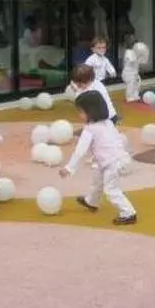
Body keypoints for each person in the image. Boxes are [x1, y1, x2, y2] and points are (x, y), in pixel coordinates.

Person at [60, 90, 137, 226]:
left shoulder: (90, 129)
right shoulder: (108, 122)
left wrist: (69, 168)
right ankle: (91, 201)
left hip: (112, 164)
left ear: (90, 112)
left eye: (81, 111)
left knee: (111, 189)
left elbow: (80, 151)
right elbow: (119, 140)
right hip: (118, 160)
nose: (79, 115)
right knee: (98, 179)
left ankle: (128, 213)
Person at [121, 36, 148, 103]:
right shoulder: (128, 52)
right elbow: (133, 61)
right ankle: (129, 96)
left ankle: (135, 95)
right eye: (134, 44)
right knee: (131, 85)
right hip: (128, 73)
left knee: (137, 83)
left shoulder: (134, 52)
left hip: (134, 73)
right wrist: (140, 56)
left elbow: (137, 62)